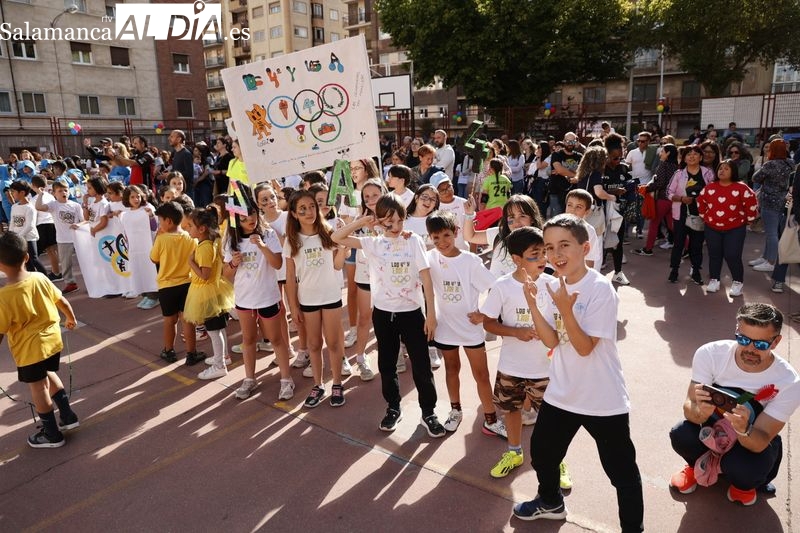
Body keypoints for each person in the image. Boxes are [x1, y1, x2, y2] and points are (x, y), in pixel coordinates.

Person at [513, 214, 643, 532]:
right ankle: (551, 502)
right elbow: (552, 340)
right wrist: (532, 304)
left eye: (564, 245)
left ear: (585, 248)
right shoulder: (549, 285)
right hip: (562, 392)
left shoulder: (600, 290)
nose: (556, 254)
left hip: (602, 398)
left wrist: (566, 309)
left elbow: (585, 347)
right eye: (549, 247)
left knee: (621, 472)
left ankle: (633, 529)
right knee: (543, 455)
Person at [331, 193, 445, 437]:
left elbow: (425, 277)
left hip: (413, 313)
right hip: (383, 314)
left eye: (399, 221)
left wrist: (431, 314)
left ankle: (429, 412)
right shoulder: (373, 243)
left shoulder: (412, 240)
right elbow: (336, 236)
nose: (395, 227)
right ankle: (393, 407)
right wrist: (362, 222)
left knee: (422, 365)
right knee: (387, 363)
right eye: (388, 222)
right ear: (379, 221)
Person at [669, 303, 800, 506]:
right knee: (681, 433)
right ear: (736, 331)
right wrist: (700, 413)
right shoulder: (711, 353)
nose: (750, 349)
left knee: (746, 465)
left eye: (761, 344)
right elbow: (690, 407)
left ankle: (743, 487)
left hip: (751, 437)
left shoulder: (788, 381)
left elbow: (761, 440)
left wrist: (744, 429)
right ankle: (695, 466)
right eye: (743, 339)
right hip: (711, 430)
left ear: (776, 342)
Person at [480, 227, 563, 479]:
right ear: (516, 260)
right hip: (511, 367)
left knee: (553, 420)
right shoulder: (502, 286)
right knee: (512, 410)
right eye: (534, 255)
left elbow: (562, 323)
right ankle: (514, 452)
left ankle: (558, 461)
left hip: (546, 369)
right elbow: (488, 323)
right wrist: (516, 332)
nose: (543, 260)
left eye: (544, 253)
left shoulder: (553, 284)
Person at [425, 211, 505, 437]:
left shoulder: (470, 261)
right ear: (430, 237)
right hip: (445, 327)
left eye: (446, 236)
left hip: (470, 330)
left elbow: (496, 288)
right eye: (436, 237)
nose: (442, 242)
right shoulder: (429, 257)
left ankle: (490, 418)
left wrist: (483, 313)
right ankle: (455, 410)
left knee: (481, 374)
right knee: (452, 369)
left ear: (457, 233)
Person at [0, 231, 79, 448]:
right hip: (52, 341)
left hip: (29, 349)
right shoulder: (40, 277)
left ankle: (52, 434)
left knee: (38, 387)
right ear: (27, 257)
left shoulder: (4, 296)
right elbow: (61, 300)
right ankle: (68, 416)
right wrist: (70, 318)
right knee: (49, 374)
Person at [223, 198, 295, 401]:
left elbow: (278, 263)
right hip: (245, 299)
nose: (250, 220)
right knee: (248, 340)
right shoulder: (231, 239)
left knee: (276, 340)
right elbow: (224, 273)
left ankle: (286, 379)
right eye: (245, 218)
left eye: (253, 215)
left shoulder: (269, 234)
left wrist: (263, 246)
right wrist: (234, 264)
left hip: (268, 297)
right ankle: (249, 378)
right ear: (236, 220)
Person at [284, 190, 348, 408]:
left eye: (312, 206)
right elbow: (290, 278)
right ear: (293, 214)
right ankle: (318, 385)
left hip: (330, 295)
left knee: (333, 342)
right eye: (302, 209)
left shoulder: (329, 232)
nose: (309, 212)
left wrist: (342, 248)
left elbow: (338, 265)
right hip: (307, 300)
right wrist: (293, 306)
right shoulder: (292, 241)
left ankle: (337, 383)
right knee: (313, 344)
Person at [149, 201, 205, 365]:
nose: (159, 224)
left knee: (169, 320)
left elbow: (154, 258)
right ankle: (191, 353)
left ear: (168, 221)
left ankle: (169, 350)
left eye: (160, 220)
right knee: (187, 319)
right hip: (187, 283)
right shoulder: (190, 238)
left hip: (167, 286)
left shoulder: (162, 239)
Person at [183, 206, 235, 379]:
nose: (187, 228)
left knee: (214, 331)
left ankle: (220, 365)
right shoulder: (211, 241)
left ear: (202, 228)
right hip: (214, 289)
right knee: (218, 329)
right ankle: (223, 357)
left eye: (190, 225)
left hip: (207, 291)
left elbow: (205, 275)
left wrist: (191, 262)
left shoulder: (205, 247)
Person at [697, 160, 759, 296]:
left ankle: (737, 282)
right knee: (714, 255)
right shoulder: (709, 187)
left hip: (735, 228)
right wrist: (704, 216)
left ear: (733, 172)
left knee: (732, 255)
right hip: (712, 227)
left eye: (726, 168)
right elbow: (701, 202)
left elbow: (751, 203)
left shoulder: (741, 188)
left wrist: (749, 219)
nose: (722, 171)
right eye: (720, 168)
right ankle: (714, 280)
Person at [348, 177, 387, 380]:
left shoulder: (392, 215)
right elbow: (343, 238)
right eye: (366, 196)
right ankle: (361, 358)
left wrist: (375, 227)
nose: (371, 199)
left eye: (375, 194)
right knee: (364, 318)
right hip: (365, 275)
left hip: (389, 278)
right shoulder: (360, 217)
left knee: (387, 320)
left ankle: (392, 356)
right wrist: (360, 223)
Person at [667, 145, 715, 285]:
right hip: (681, 213)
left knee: (696, 244)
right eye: (688, 154)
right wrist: (681, 199)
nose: (692, 156)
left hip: (700, 214)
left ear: (700, 157)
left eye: (695, 154)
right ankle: (674, 270)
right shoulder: (679, 174)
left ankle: (696, 271)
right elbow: (668, 193)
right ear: (684, 158)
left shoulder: (708, 173)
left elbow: (713, 192)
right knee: (678, 243)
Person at [750, 138, 794, 273]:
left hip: (769, 201)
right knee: (773, 232)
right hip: (784, 200)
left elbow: (755, 178)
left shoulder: (770, 164)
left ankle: (770, 262)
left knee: (771, 233)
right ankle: (765, 257)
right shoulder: (791, 163)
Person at [35, 180, 83, 294]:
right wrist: (40, 194)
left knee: (85, 261)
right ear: (54, 193)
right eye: (60, 191)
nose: (63, 192)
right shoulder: (54, 205)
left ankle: (94, 280)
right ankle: (71, 283)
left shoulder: (75, 205)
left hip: (78, 238)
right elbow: (38, 207)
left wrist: (79, 224)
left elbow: (84, 220)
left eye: (65, 190)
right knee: (66, 264)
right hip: (63, 240)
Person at [634, 143, 679, 256]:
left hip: (663, 199)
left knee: (654, 224)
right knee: (672, 226)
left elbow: (660, 183)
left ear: (668, 153)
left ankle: (648, 249)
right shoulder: (676, 167)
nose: (660, 153)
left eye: (663, 151)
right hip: (673, 200)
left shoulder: (663, 165)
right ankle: (689, 247)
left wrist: (646, 188)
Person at [119, 186, 159, 302]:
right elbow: (125, 232)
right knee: (138, 270)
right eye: (132, 197)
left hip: (147, 247)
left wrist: (151, 216)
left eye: (138, 196)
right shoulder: (125, 214)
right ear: (127, 198)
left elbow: (154, 228)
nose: (136, 199)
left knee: (149, 270)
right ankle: (145, 295)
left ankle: (153, 296)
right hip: (134, 249)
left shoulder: (147, 209)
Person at [8, 181, 47, 274]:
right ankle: (33, 282)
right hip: (18, 238)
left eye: (13, 191)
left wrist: (17, 237)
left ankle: (46, 279)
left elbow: (30, 226)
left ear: (22, 192)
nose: (12, 194)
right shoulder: (14, 206)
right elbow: (12, 222)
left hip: (29, 238)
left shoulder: (30, 208)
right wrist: (11, 235)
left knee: (34, 259)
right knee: (27, 261)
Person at [549, 132, 583, 216]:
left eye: (572, 141)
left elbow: (583, 172)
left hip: (574, 194)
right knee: (557, 220)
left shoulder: (580, 156)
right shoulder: (556, 155)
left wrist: (565, 171)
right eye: (568, 141)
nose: (570, 144)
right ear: (563, 141)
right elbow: (559, 170)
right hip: (556, 192)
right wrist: (576, 175)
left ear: (576, 142)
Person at [164, 130, 194, 200]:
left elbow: (189, 173)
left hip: (186, 192)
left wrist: (171, 174)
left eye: (172, 136)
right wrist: (166, 174)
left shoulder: (186, 154)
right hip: (176, 191)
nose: (169, 138)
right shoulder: (175, 153)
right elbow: (176, 169)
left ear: (179, 139)